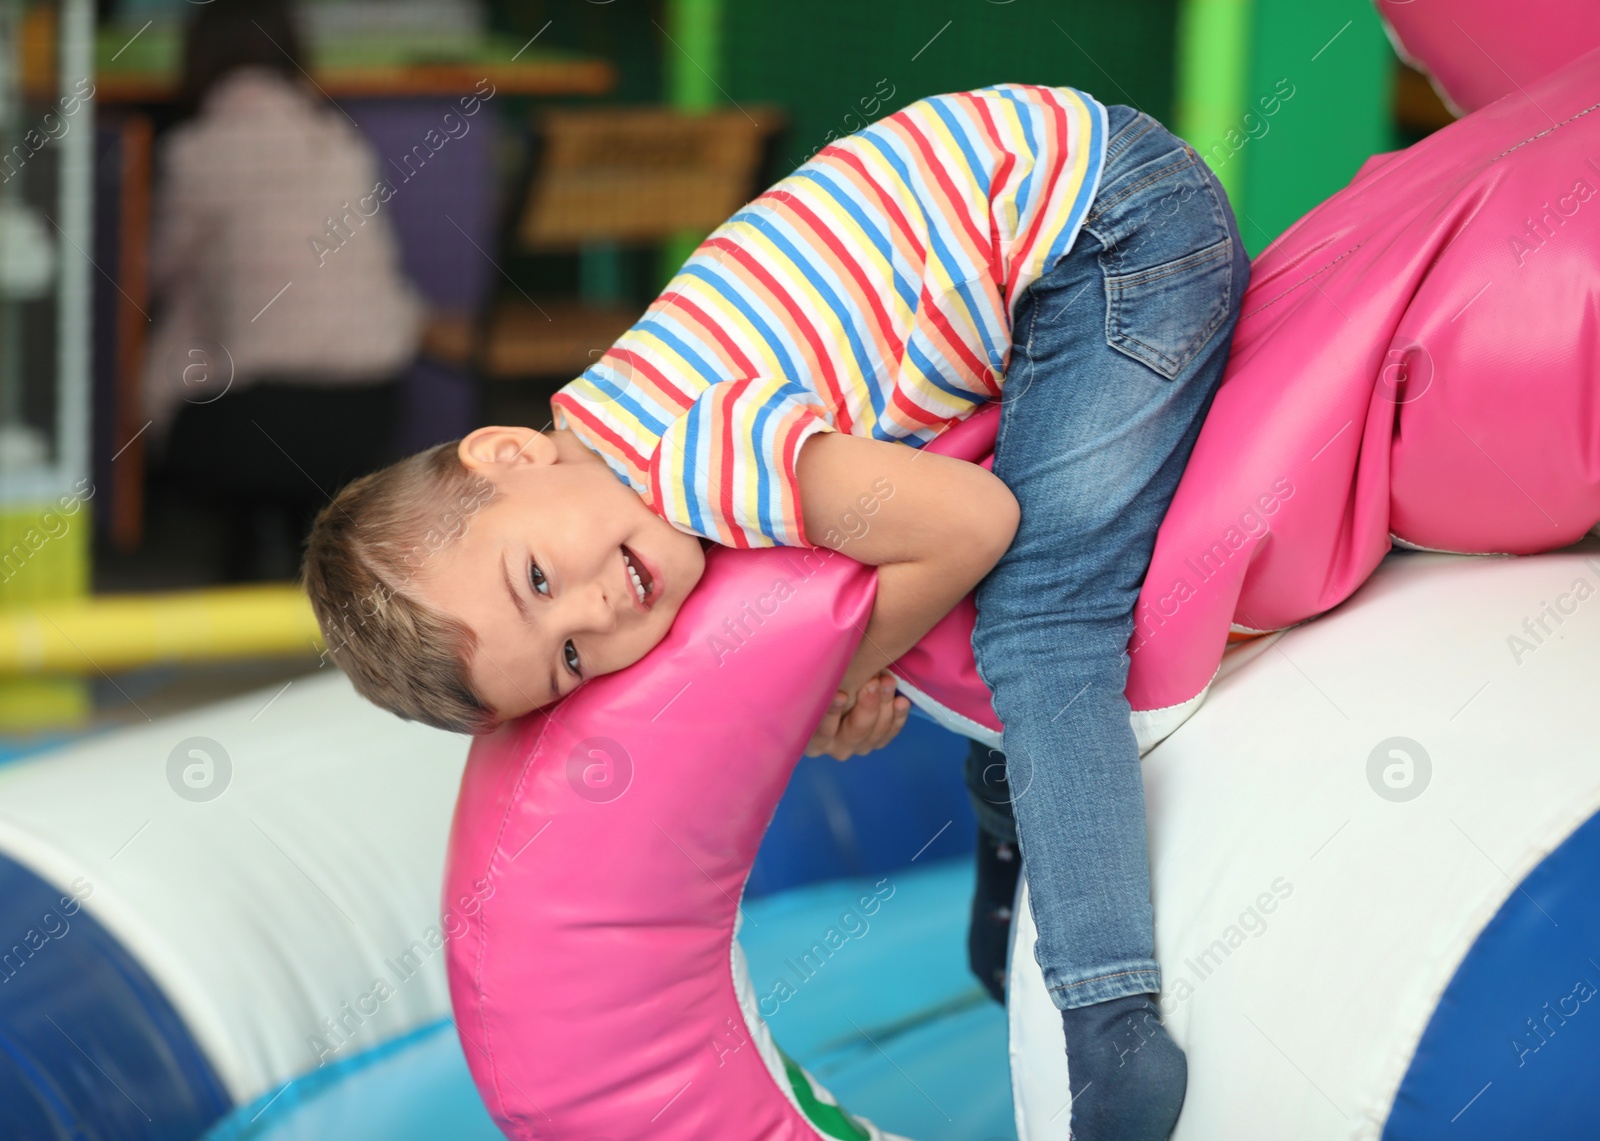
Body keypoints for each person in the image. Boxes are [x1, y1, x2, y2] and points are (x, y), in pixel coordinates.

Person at [302, 84, 1248, 1141]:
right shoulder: (615, 431)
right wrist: (857, 657)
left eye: (535, 577)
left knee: (1039, 626)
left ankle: (1109, 1012)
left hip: (1110, 230)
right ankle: (1020, 880)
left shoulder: (692, 453)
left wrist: (836, 679)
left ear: (509, 452)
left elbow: (969, 522)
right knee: (964, 639)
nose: (600, 610)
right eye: (570, 656)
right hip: (1039, 224)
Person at [142, 0, 422, 580]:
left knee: (189, 327)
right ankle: (302, 542)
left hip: (254, 424)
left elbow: (152, 272)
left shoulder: (196, 150)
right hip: (372, 410)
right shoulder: (343, 141)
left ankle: (239, 547)